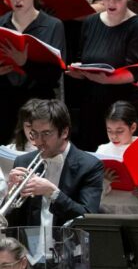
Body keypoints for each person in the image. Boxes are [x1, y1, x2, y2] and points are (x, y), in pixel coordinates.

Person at [65, 0, 138, 151]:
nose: (111, 3)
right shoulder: (91, 22)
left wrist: (106, 79)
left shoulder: (137, 27)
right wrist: (79, 71)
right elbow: (84, 58)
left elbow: (134, 72)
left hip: (124, 108)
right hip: (92, 106)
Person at [7, 99, 103, 254]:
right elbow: (12, 223)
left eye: (46, 133)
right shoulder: (23, 161)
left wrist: (53, 193)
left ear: (64, 132)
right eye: (34, 134)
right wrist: (11, 192)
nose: (38, 141)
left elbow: (87, 218)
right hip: (30, 255)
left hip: (71, 255)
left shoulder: (89, 165)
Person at [0, 0, 66, 141]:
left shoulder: (53, 26)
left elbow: (54, 75)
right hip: (4, 104)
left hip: (40, 105)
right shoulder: (1, 24)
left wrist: (25, 63)